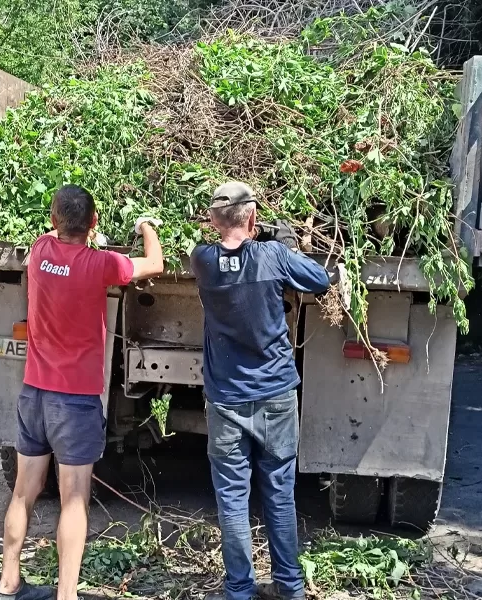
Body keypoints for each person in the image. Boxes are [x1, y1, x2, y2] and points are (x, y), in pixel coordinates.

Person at [0, 184, 164, 600]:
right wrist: (146, 226)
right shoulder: (100, 264)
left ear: (53, 221)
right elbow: (155, 263)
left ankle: (7, 585)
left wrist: (77, 229)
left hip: (34, 394)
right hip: (75, 401)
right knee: (73, 499)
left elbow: (59, 233)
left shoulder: (39, 252)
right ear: (94, 222)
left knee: (23, 491)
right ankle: (66, 595)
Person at [190, 182, 330, 600]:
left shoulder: (202, 260)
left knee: (233, 498)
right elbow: (319, 280)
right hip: (275, 396)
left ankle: (239, 590)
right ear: (252, 217)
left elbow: (225, 249)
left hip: (225, 399)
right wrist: (281, 240)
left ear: (212, 220)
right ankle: (290, 587)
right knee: (279, 495)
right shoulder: (273, 256)